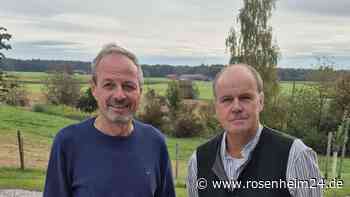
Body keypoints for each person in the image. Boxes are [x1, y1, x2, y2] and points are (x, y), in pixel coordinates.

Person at [43, 43, 176, 197]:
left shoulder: (155, 142)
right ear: (94, 89)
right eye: (109, 85)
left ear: (140, 91)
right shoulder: (67, 143)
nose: (119, 96)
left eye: (128, 86)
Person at [187, 64, 323, 197]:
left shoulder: (295, 156)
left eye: (245, 98)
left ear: (261, 101)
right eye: (227, 100)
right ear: (216, 107)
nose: (236, 107)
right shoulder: (199, 161)